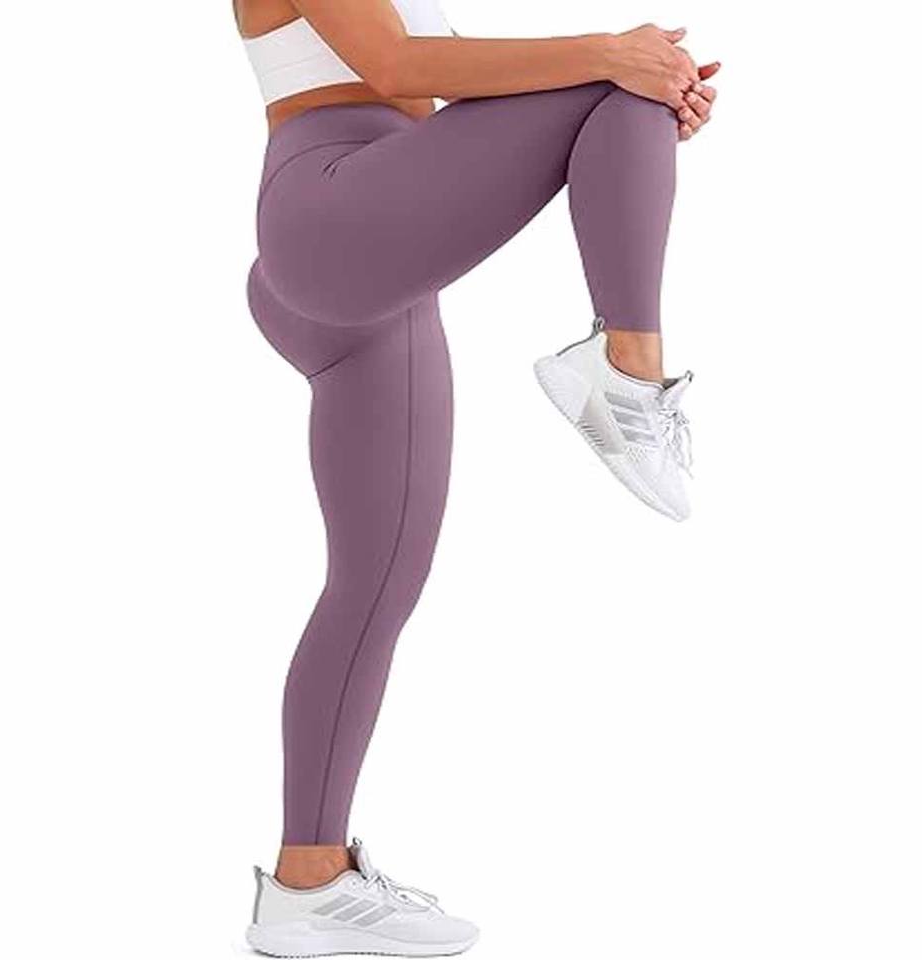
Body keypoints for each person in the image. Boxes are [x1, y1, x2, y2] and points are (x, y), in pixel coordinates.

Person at [236, 0, 719, 954]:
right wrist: (620, 64)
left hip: (382, 267)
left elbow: (471, 90)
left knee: (375, 588)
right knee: (617, 76)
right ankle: (625, 370)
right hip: (331, 214)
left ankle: (308, 882)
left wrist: (651, 108)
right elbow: (396, 65)